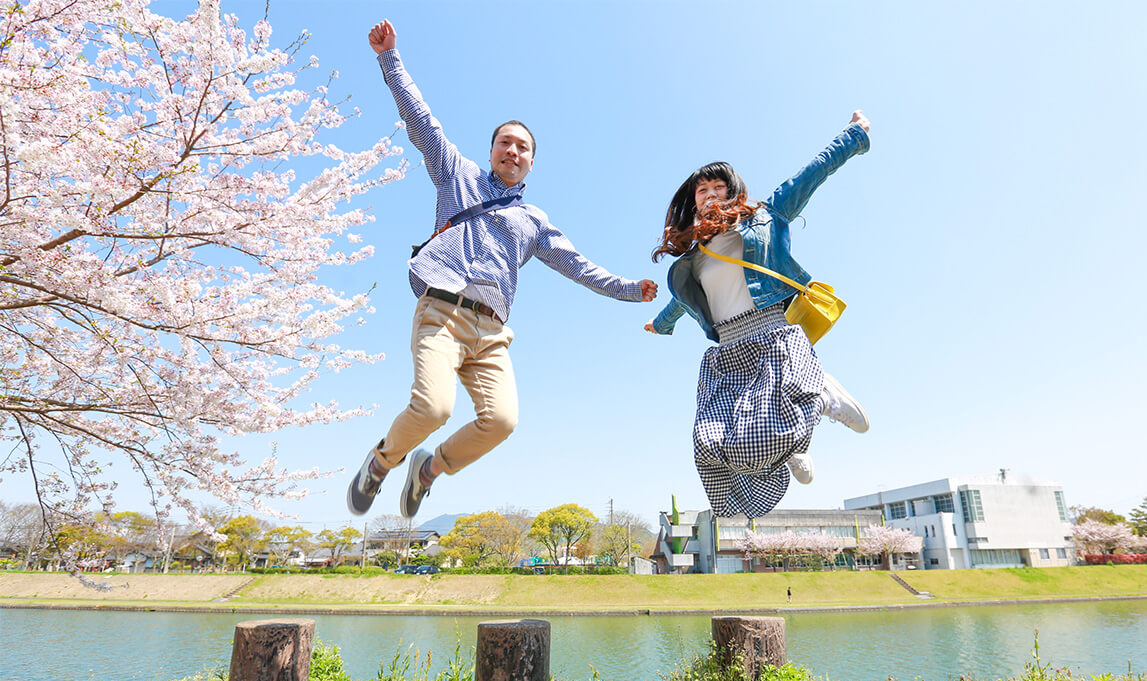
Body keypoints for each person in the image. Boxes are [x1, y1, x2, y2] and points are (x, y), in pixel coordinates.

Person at [349, 19, 658, 519]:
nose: (512, 151)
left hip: (491, 331)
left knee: (503, 421)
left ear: (532, 162)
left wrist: (629, 289)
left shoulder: (534, 221)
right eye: (505, 143)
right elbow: (421, 121)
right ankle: (382, 462)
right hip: (442, 314)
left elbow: (579, 267)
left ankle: (428, 470)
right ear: (492, 150)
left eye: (523, 147)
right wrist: (390, 58)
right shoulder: (458, 175)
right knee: (434, 408)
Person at [645, 112, 871, 519]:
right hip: (727, 350)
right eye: (702, 190)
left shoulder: (766, 217)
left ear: (734, 193)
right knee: (709, 441)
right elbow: (686, 301)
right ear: (693, 199)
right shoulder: (693, 256)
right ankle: (794, 436)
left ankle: (818, 400)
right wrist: (660, 325)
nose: (710, 194)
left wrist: (854, 135)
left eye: (719, 187)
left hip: (772, 336)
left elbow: (813, 173)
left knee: (763, 429)